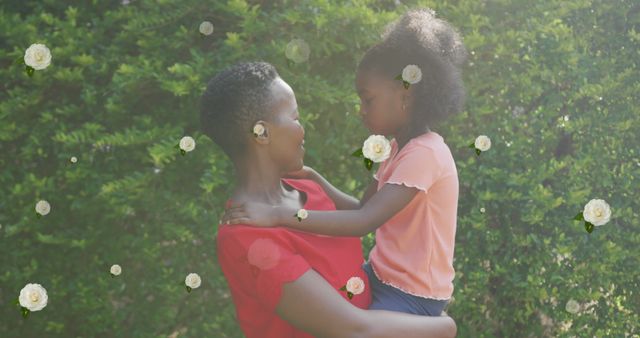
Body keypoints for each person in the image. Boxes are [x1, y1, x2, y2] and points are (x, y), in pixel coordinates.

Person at [221, 8, 467, 317]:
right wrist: (314, 178)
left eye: (368, 99)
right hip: (382, 279)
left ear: (406, 95)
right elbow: (359, 209)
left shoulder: (425, 154)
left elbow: (363, 223)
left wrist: (276, 215)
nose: (361, 110)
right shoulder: (400, 148)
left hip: (413, 296)